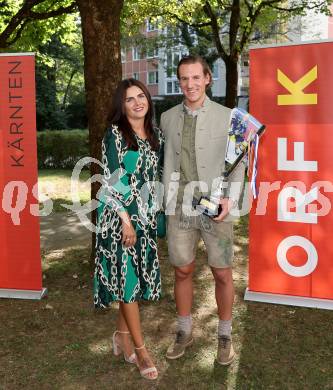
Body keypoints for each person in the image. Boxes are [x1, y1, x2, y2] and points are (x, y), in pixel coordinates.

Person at [160, 55, 245, 365]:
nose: (190, 84)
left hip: (216, 208)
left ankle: (225, 335)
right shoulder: (167, 118)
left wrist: (230, 199)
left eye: (196, 77)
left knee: (222, 272)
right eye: (184, 78)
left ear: (208, 78)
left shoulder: (229, 117)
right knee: (182, 269)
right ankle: (184, 330)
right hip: (180, 206)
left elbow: (239, 160)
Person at [94, 78, 164, 380]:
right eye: (129, 99)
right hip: (118, 219)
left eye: (141, 96)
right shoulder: (115, 134)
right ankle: (141, 349)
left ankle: (121, 336)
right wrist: (126, 219)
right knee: (129, 282)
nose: (137, 102)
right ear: (121, 107)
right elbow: (111, 179)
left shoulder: (154, 133)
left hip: (145, 218)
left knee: (131, 282)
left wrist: (154, 215)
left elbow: (154, 177)